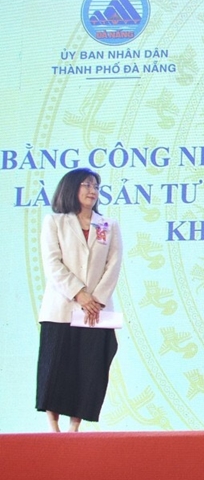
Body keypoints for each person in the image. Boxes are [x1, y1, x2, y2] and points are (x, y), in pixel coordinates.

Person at [36, 168, 122, 432]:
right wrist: (79, 293)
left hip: (96, 311)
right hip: (61, 308)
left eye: (95, 186)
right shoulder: (55, 222)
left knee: (89, 367)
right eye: (86, 185)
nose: (92, 190)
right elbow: (53, 264)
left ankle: (75, 427)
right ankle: (54, 427)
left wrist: (96, 300)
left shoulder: (108, 225)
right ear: (71, 188)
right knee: (56, 366)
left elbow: (114, 264)